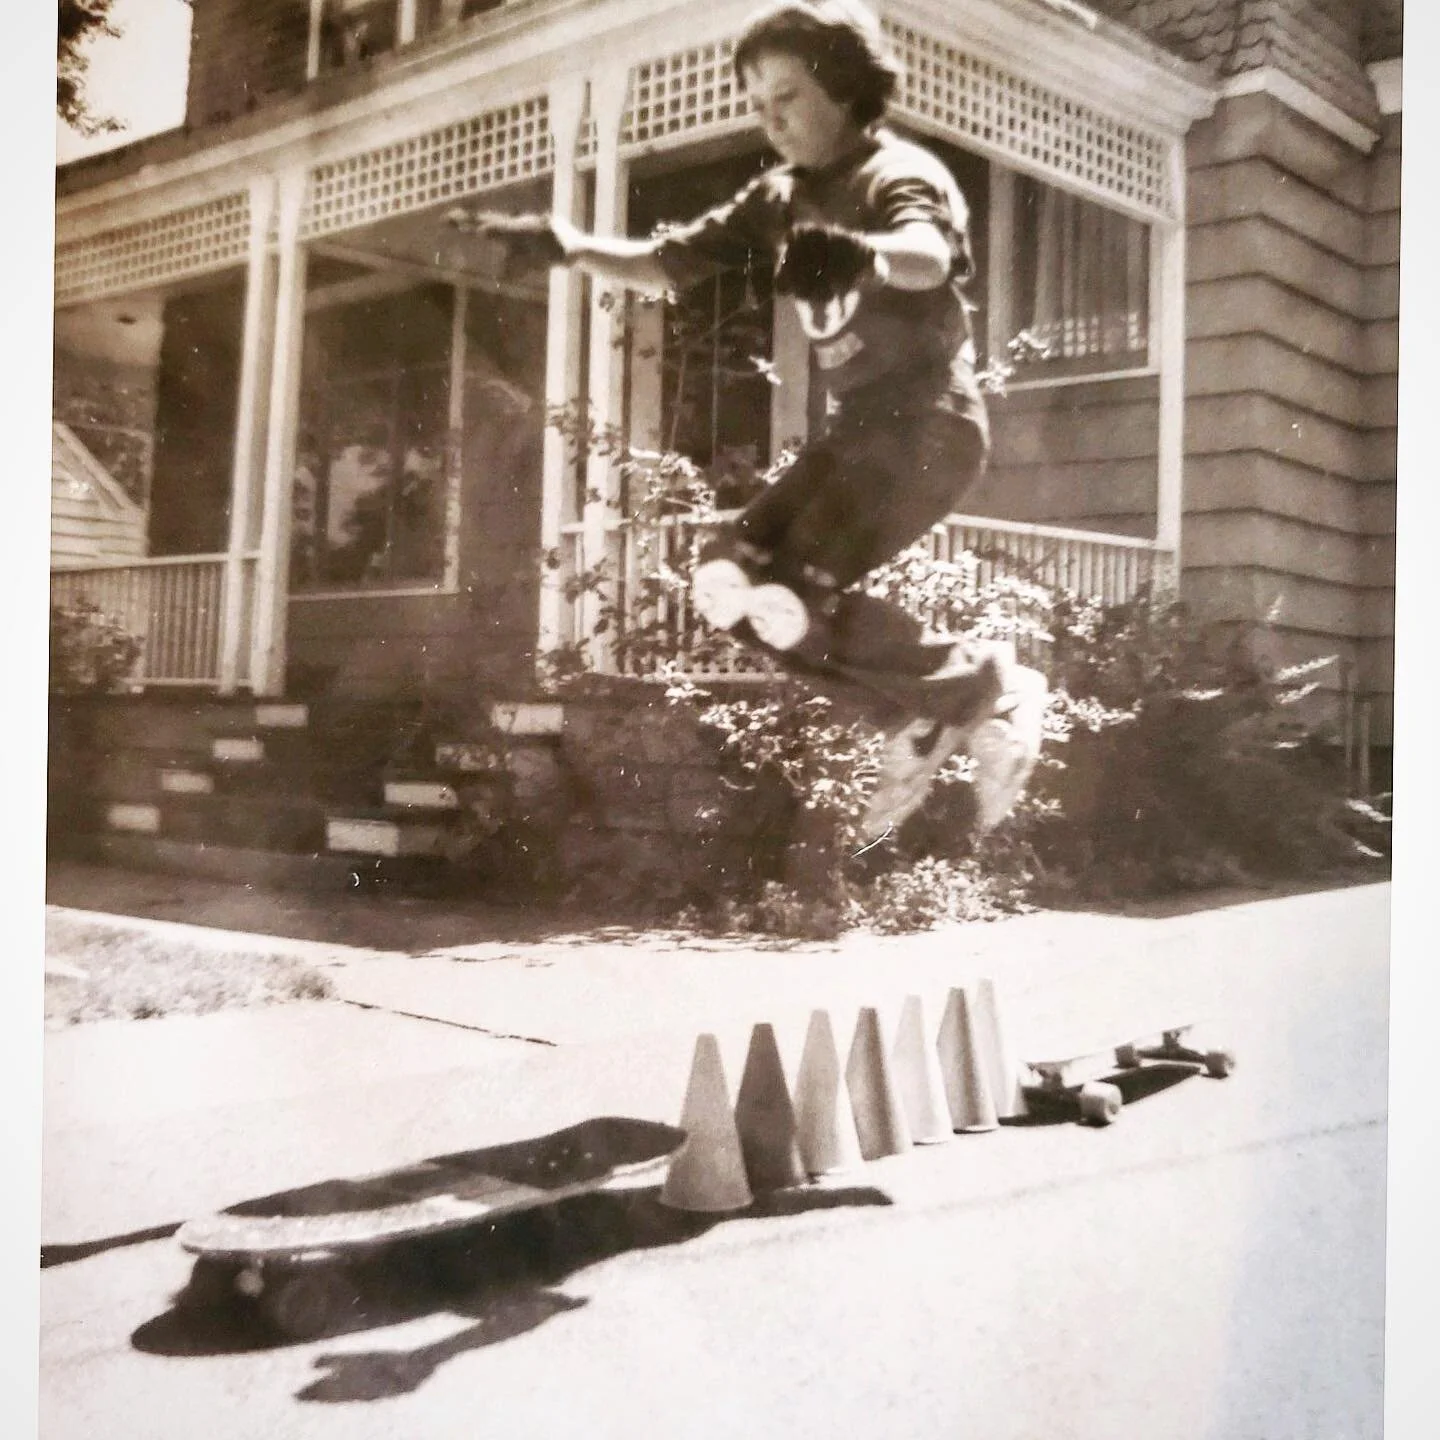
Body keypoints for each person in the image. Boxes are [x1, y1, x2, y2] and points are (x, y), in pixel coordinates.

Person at [447, 0, 1044, 837]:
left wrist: (862, 252)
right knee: (731, 583)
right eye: (757, 106)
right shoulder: (777, 197)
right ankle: (919, 712)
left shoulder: (896, 174)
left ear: (842, 86)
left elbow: (928, 256)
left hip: (926, 426)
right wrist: (567, 244)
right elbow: (665, 262)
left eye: (788, 98)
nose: (771, 122)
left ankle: (986, 690)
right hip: (858, 432)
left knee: (794, 588)